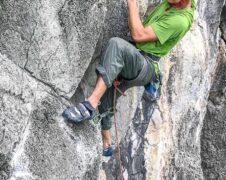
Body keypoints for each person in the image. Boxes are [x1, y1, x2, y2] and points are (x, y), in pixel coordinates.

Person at [63, 0, 195, 156]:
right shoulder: (177, 3)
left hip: (145, 63)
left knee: (116, 45)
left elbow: (138, 35)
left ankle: (89, 105)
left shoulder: (179, 20)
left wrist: (132, 2)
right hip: (137, 54)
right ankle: (106, 137)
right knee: (108, 91)